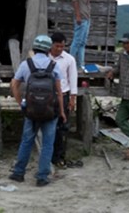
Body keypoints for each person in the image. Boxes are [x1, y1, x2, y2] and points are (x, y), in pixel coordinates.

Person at [9, 35, 67, 187]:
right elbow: (59, 92)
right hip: (50, 111)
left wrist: (21, 103)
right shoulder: (54, 66)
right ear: (49, 49)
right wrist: (61, 112)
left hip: (31, 110)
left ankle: (18, 173)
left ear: (34, 48)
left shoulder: (26, 64)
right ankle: (42, 177)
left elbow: (14, 84)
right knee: (48, 144)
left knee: (27, 141)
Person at [48, 32, 78, 167]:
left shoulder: (69, 59)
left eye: (62, 46)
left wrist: (73, 99)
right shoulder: (44, 57)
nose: (59, 49)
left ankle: (59, 156)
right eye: (57, 46)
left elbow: (73, 79)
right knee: (47, 126)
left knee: (62, 127)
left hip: (64, 96)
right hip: (47, 96)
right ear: (51, 45)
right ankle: (47, 155)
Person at [70, 0, 97, 71]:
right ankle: (71, 63)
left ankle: (80, 64)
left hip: (86, 16)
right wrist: (77, 15)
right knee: (77, 41)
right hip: (81, 16)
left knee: (82, 42)